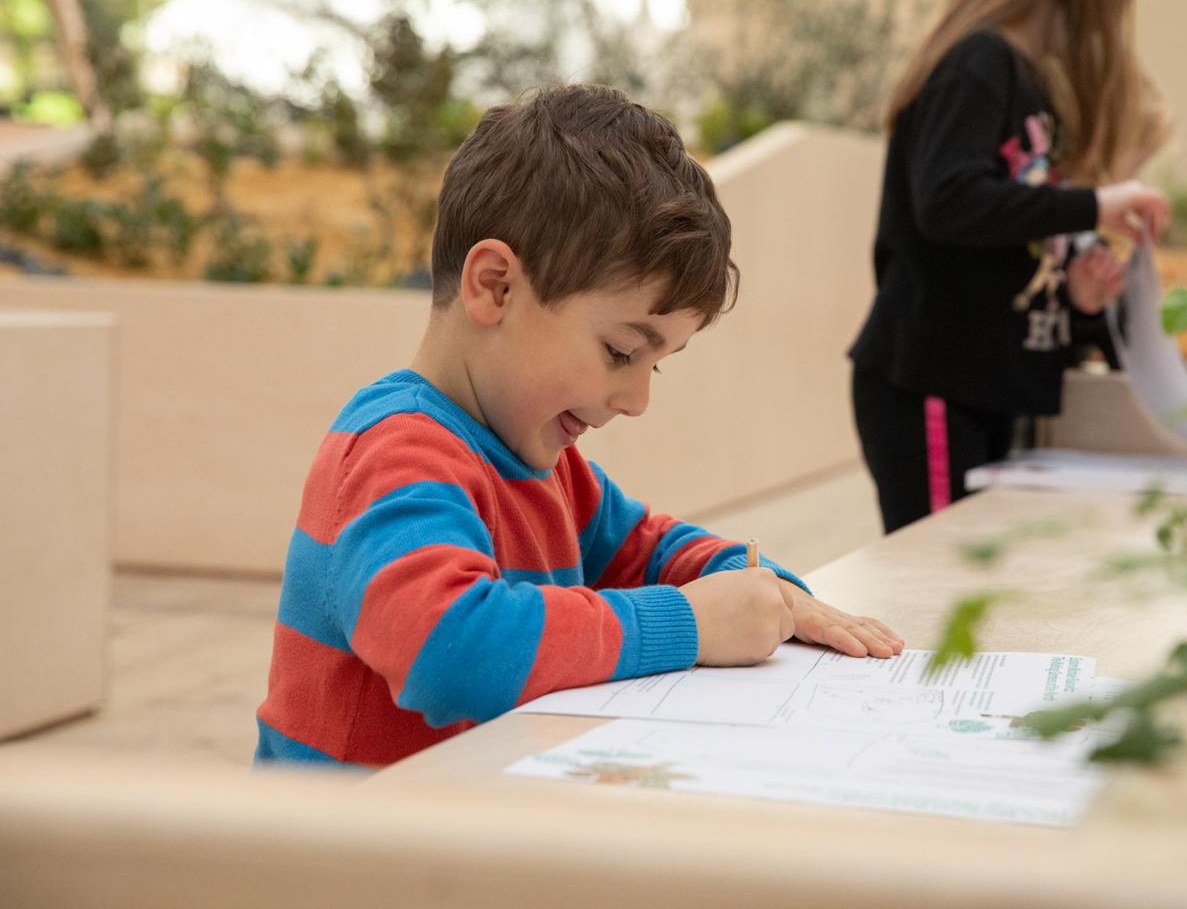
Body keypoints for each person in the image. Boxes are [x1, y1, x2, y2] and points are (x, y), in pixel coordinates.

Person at [256, 85, 904, 769]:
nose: (635, 399)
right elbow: (450, 650)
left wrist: (766, 591)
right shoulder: (395, 450)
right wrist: (692, 623)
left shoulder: (540, 463)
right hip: (348, 864)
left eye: (657, 365)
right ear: (496, 286)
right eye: (622, 352)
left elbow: (649, 548)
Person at [849, 0, 1172, 534]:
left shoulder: (1027, 84)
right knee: (940, 571)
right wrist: (1095, 205)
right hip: (936, 383)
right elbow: (948, 201)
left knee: (973, 573)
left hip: (990, 383)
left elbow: (1011, 239)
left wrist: (1077, 298)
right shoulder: (978, 62)